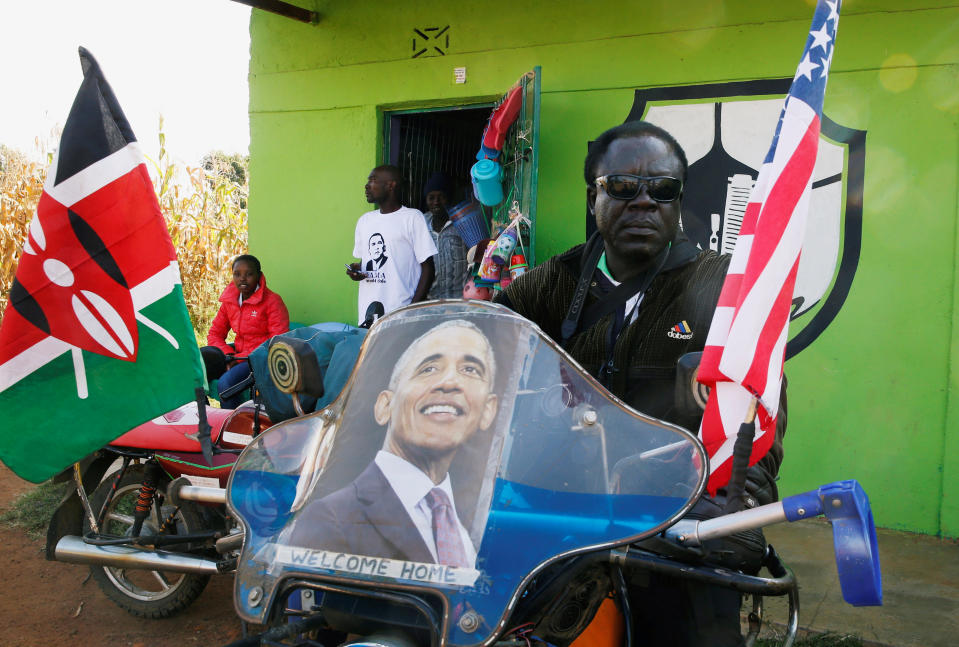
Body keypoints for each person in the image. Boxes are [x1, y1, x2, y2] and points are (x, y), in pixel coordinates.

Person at [494, 120, 785, 647]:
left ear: (677, 202)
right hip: (561, 518)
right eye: (623, 187)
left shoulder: (720, 287)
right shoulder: (549, 284)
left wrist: (745, 484)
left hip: (679, 525)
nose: (643, 202)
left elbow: (761, 398)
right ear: (594, 197)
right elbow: (473, 347)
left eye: (662, 190)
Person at [289, 320, 499, 568]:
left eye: (470, 370)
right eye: (429, 368)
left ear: (488, 410)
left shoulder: (485, 520)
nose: (450, 382)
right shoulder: (330, 520)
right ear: (384, 406)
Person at [346, 165, 437, 324]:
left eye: (373, 180)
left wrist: (411, 310)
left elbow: (428, 268)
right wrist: (356, 271)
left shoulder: (412, 218)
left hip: (400, 315)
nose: (367, 186)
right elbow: (365, 262)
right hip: (367, 315)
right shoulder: (365, 221)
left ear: (391, 185)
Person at [203, 254, 290, 409]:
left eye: (249, 274)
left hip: (259, 359)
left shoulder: (272, 301)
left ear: (258, 275)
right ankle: (204, 420)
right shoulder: (230, 302)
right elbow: (215, 333)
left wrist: (240, 359)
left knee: (226, 384)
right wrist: (228, 356)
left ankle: (234, 427)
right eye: (237, 274)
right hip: (234, 356)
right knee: (195, 369)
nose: (242, 279)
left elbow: (277, 341)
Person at [422, 172, 469, 299]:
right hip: (430, 300)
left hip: (461, 299)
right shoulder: (421, 224)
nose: (436, 202)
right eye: (431, 197)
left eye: (441, 197)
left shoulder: (463, 222)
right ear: (426, 199)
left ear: (448, 197)